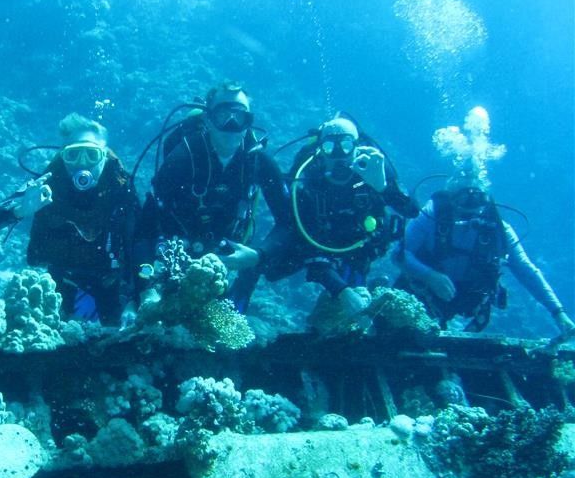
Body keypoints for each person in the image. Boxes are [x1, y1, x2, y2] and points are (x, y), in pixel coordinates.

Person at [0, 113, 140, 325]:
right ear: (63, 155)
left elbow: (140, 241)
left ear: (104, 155)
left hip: (109, 279)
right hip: (60, 278)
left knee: (117, 332)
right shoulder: (46, 182)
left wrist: (135, 297)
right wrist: (20, 211)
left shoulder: (121, 188)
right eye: (73, 155)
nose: (82, 164)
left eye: (91, 155)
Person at [254, 113, 419, 316]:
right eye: (330, 147)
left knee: (356, 305)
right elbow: (303, 240)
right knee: (273, 270)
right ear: (320, 150)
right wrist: (341, 290)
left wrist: (383, 187)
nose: (339, 154)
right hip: (320, 243)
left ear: (357, 146)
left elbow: (412, 210)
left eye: (347, 145)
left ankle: (365, 288)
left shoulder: (374, 167)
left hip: (361, 245)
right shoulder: (310, 178)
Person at [396, 172, 574, 334]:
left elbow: (526, 271)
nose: (469, 215)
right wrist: (429, 276)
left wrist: (558, 312)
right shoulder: (430, 217)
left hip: (468, 302)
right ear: (451, 200)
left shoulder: (500, 230)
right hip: (421, 295)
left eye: (476, 202)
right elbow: (399, 254)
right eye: (463, 203)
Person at [143, 82, 289, 270]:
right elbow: (147, 223)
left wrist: (258, 256)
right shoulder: (181, 159)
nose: (231, 126)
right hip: (181, 252)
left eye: (239, 117)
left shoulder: (259, 162)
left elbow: (287, 222)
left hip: (230, 250)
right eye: (223, 115)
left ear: (248, 122)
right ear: (207, 119)